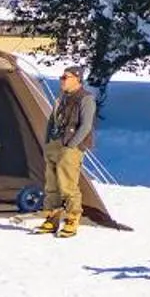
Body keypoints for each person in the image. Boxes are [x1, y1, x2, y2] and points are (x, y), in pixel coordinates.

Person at [39, 67, 95, 237]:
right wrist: (48, 140)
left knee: (68, 185)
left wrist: (72, 145)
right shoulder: (61, 98)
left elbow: (86, 125)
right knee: (51, 185)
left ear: (77, 79)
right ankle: (51, 218)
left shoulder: (86, 99)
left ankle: (72, 219)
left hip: (70, 147)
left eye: (65, 77)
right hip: (54, 145)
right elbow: (52, 120)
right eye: (61, 77)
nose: (61, 80)